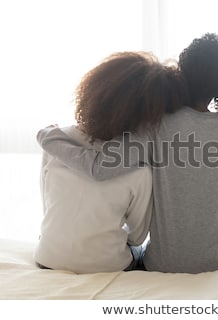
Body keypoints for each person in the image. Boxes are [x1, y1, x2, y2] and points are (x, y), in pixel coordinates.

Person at [36, 33, 218, 274]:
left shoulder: (155, 126)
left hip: (168, 264)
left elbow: (98, 168)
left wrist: (47, 136)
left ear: (184, 70)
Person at [34, 51, 187, 273]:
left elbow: (47, 206)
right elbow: (137, 236)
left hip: (47, 257)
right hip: (108, 266)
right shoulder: (140, 169)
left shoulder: (56, 142)